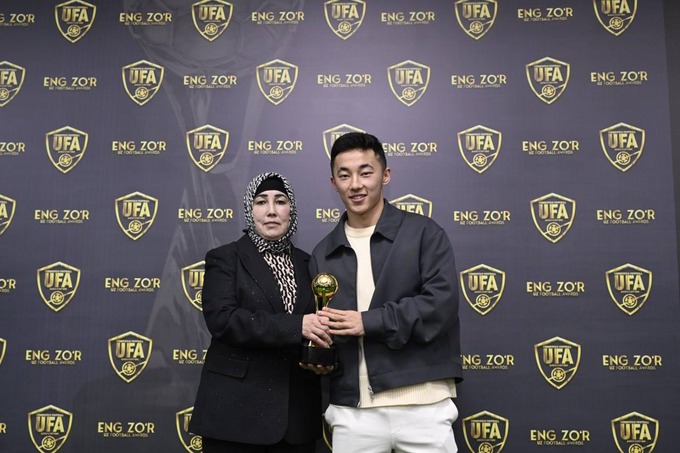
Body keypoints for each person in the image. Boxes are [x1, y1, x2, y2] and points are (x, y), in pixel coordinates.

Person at [309, 132, 463, 453]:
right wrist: (323, 359)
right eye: (344, 175)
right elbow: (327, 329)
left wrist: (369, 322)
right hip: (353, 410)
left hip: (424, 403)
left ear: (386, 175)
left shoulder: (424, 234)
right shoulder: (323, 252)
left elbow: (440, 306)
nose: (356, 184)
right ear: (333, 182)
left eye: (366, 172)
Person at [190, 172, 333, 453]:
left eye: (280, 201)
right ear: (249, 209)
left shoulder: (309, 263)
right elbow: (223, 320)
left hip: (297, 420)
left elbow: (320, 324)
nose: (270, 210)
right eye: (260, 202)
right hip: (235, 416)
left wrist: (324, 358)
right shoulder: (225, 258)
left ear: (291, 211)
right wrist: (297, 327)